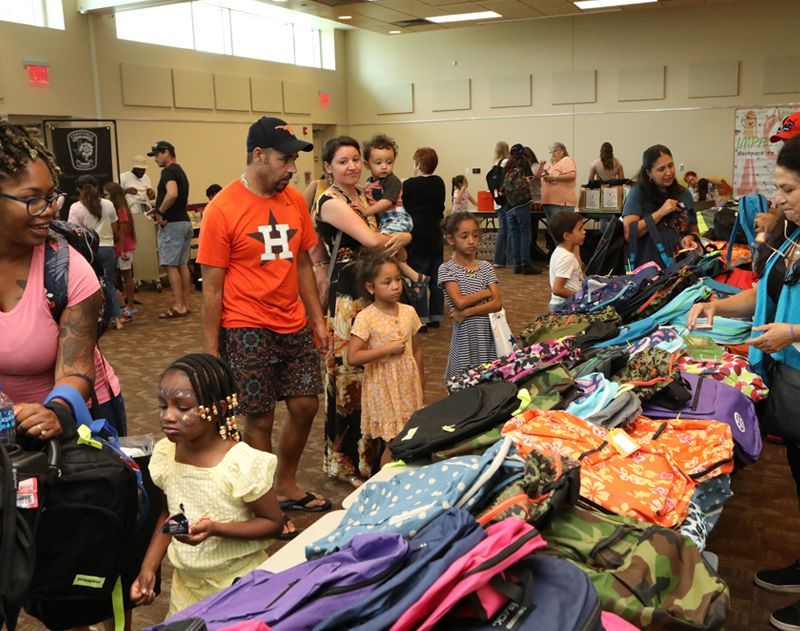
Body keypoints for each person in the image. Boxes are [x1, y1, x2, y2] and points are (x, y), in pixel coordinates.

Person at [0, 121, 131, 629]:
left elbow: (76, 366)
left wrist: (54, 411)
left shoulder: (65, 265)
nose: (48, 209)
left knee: (77, 552)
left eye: (50, 195)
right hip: (7, 428)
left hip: (75, 414)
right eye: (30, 199)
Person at [686, 134, 800, 631]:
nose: (778, 200)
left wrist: (794, 331)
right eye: (778, 189)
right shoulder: (793, 239)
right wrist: (716, 305)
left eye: (789, 189)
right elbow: (761, 296)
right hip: (788, 377)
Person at [197, 117, 332, 537]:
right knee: (257, 419)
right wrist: (210, 353)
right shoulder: (222, 209)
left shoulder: (292, 200)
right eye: (284, 158)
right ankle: (266, 503)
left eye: (293, 159)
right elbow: (212, 290)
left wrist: (317, 319)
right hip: (245, 327)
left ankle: (286, 482)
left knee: (306, 404)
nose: (291, 168)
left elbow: (303, 265)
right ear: (258, 156)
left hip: (292, 321)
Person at [130, 353, 283, 617]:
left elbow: (273, 523)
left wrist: (216, 529)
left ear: (220, 409)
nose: (168, 416)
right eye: (163, 406)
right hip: (187, 589)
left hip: (239, 585)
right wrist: (148, 567)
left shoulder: (240, 463)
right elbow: (170, 515)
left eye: (183, 407)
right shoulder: (167, 454)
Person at [312, 136, 411, 485]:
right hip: (348, 298)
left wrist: (399, 241)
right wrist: (404, 238)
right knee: (349, 379)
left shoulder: (362, 196)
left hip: (370, 291)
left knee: (373, 377)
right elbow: (372, 242)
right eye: (342, 161)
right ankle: (347, 462)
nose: (352, 166)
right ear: (328, 167)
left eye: (356, 159)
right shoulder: (331, 201)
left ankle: (369, 459)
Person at [348, 252, 424, 466]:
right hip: (384, 389)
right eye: (387, 282)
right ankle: (386, 483)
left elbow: (417, 350)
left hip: (408, 386)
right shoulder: (366, 318)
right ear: (371, 287)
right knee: (394, 442)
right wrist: (386, 350)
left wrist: (420, 381)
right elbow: (353, 356)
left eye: (398, 279)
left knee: (409, 437)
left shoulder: (409, 312)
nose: (395, 286)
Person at [361, 134, 426, 304]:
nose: (384, 167)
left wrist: (365, 212)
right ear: (367, 164)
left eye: (389, 162)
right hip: (387, 220)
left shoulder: (392, 181)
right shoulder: (369, 182)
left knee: (382, 247)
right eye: (379, 163)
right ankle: (416, 277)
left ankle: (412, 274)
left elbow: (386, 202)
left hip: (396, 218)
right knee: (390, 253)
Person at [438, 212, 502, 383]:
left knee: (490, 379)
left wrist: (467, 313)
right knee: (464, 381)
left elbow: (497, 304)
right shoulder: (447, 269)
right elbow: (459, 301)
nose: (471, 241)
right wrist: (486, 292)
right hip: (466, 335)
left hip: (488, 333)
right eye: (464, 236)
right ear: (451, 239)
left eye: (475, 235)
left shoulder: (486, 267)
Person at [622, 144, 699, 269]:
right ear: (649, 173)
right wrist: (661, 212)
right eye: (661, 169)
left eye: (670, 165)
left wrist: (689, 238)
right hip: (650, 271)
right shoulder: (638, 192)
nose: (669, 172)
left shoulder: (684, 193)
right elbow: (629, 233)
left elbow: (695, 230)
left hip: (684, 267)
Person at [68, 175, 125, 329]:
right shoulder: (108, 204)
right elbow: (115, 228)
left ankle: (94, 319)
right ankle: (117, 319)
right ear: (96, 186)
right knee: (109, 284)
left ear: (78, 190)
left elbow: (74, 231)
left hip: (89, 251)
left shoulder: (76, 207)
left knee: (90, 286)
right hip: (108, 248)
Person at [147, 140, 193, 319]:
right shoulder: (180, 170)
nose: (155, 159)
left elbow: (172, 193)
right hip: (184, 222)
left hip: (172, 225)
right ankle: (185, 304)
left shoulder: (168, 171)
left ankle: (179, 305)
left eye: (157, 154)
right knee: (182, 264)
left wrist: (160, 210)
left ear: (167, 152)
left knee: (171, 265)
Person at [402, 147, 447, 329]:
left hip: (417, 239)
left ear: (418, 163)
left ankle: (421, 317)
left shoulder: (409, 185)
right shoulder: (439, 182)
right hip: (435, 238)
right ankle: (436, 314)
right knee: (437, 281)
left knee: (419, 279)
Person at [503, 144, 539, 275]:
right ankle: (525, 264)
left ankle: (516, 264)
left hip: (509, 205)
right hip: (521, 204)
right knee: (525, 233)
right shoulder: (523, 163)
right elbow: (529, 181)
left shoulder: (507, 165)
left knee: (514, 234)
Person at [104, 181, 138, 319]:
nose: (104, 196)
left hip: (124, 247)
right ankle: (124, 303)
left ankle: (130, 305)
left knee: (127, 276)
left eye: (106, 194)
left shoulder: (121, 209)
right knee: (121, 276)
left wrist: (123, 251)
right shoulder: (116, 208)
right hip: (118, 246)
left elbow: (123, 232)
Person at [548, 211, 586, 311]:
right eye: (580, 229)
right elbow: (557, 289)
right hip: (564, 306)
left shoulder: (560, 251)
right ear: (567, 236)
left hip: (563, 304)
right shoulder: (567, 257)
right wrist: (581, 297)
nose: (584, 232)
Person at [488, 141, 510, 268]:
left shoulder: (494, 164)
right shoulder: (506, 162)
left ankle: (498, 258)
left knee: (502, 228)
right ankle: (502, 258)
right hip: (505, 200)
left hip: (496, 201)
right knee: (506, 229)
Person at [542, 142, 578, 217]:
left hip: (561, 203)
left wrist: (554, 178)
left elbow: (572, 175)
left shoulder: (566, 160)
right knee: (553, 227)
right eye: (551, 152)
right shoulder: (553, 165)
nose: (552, 153)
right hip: (550, 202)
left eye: (555, 151)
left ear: (562, 151)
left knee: (561, 227)